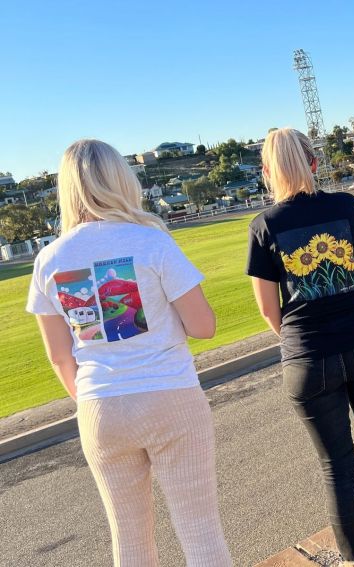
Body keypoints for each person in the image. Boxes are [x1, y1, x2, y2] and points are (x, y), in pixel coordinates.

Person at [26, 140, 232, 567]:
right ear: (121, 179)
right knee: (201, 534)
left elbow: (58, 356)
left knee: (130, 540)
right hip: (170, 397)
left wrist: (94, 398)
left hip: (99, 408)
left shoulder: (49, 259)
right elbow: (203, 326)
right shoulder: (150, 241)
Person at [247, 128, 354, 566]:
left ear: (267, 172)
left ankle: (352, 561)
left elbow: (269, 310)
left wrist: (302, 338)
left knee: (336, 468)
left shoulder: (264, 225)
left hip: (308, 356)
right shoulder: (345, 206)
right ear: (315, 164)